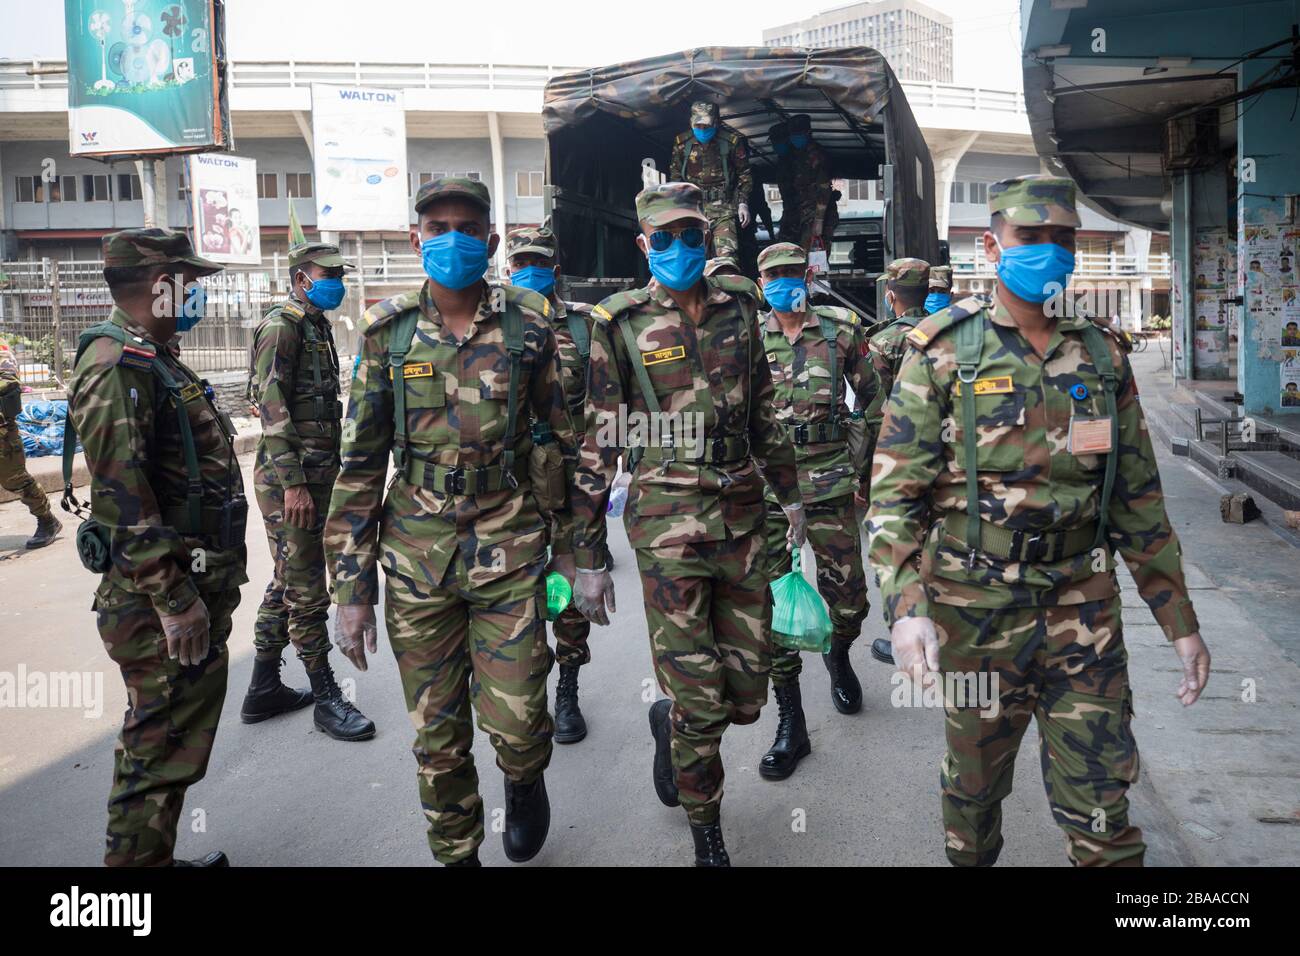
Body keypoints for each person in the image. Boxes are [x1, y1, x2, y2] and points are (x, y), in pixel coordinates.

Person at [865, 174, 1212, 867]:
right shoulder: (942, 353)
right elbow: (894, 497)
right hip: (975, 608)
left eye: (1063, 239)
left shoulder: (1104, 356)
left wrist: (1180, 622)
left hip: (1082, 610)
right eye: (1032, 238)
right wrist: (906, 609)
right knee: (974, 790)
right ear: (993, 246)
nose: (1050, 252)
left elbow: (1136, 500)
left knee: (1103, 804)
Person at [324, 177, 578, 867]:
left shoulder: (530, 326)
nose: (452, 239)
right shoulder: (387, 332)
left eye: (467, 227)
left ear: (492, 241)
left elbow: (566, 438)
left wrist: (578, 553)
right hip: (415, 560)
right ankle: (458, 855)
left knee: (523, 721)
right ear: (415, 238)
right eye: (437, 226)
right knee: (437, 739)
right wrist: (349, 592)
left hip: (510, 546)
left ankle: (524, 781)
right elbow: (359, 466)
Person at [570, 182, 804, 866]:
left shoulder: (740, 310)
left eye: (690, 237)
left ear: (709, 240)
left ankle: (667, 724)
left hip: (742, 518)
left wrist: (789, 495)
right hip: (668, 527)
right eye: (663, 239)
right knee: (702, 703)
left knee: (747, 696)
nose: (679, 250)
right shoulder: (618, 323)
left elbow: (762, 407)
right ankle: (709, 834)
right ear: (645, 246)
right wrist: (587, 555)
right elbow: (600, 442)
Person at [67, 228, 246, 866]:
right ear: (160, 284)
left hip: (186, 583)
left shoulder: (152, 356)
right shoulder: (119, 365)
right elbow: (121, 496)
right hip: (157, 601)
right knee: (156, 752)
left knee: (171, 743)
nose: (196, 294)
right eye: (189, 283)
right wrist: (174, 599)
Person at [753, 242, 878, 780]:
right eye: (773, 275)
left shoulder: (841, 329)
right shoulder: (748, 339)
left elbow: (876, 402)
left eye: (791, 273)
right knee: (774, 609)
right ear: (761, 282)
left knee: (849, 601)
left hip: (829, 485)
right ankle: (791, 722)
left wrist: (866, 473)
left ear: (807, 275)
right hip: (766, 495)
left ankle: (839, 653)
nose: (784, 283)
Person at [243, 241, 375, 740]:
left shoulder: (314, 324)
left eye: (341, 273)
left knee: (286, 579)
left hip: (317, 475)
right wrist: (294, 485)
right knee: (306, 589)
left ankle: (261, 689)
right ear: (301, 277)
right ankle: (325, 697)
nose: (337, 281)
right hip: (289, 481)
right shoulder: (282, 327)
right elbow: (272, 410)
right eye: (329, 273)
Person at [504, 223, 594, 744]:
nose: (529, 271)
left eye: (538, 262)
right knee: (515, 593)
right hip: (510, 486)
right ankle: (522, 692)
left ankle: (568, 687)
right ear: (508, 269)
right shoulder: (495, 325)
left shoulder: (583, 328)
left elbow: (608, 403)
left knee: (566, 594)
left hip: (569, 484)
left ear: (555, 270)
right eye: (521, 264)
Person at [862, 257, 930, 667]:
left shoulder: (883, 341)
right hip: (939, 458)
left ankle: (906, 632)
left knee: (896, 542)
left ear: (890, 296)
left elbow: (871, 408)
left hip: (895, 458)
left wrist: (864, 471)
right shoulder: (946, 336)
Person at [669, 101, 753, 259]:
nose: (702, 129)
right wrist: (677, 207)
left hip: (724, 210)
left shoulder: (731, 142)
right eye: (698, 125)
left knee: (726, 257)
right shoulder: (682, 143)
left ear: (716, 122)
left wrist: (743, 203)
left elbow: (744, 174)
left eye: (706, 125)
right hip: (693, 211)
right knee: (694, 258)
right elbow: (675, 176)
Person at [0, 337, 61, 548]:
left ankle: (47, 521)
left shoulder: (1, 349)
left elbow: (9, 381)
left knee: (15, 480)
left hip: (3, 434)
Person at [787, 114, 833, 252]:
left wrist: (819, 220)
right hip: (805, 215)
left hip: (818, 215)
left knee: (814, 258)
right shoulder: (797, 155)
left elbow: (825, 189)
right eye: (793, 134)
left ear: (808, 133)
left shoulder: (815, 156)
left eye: (798, 134)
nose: (795, 137)